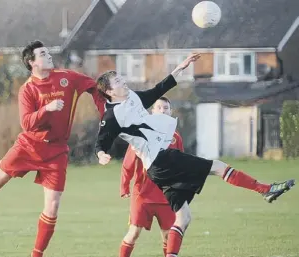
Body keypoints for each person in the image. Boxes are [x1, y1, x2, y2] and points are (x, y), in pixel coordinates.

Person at [94, 54, 295, 257]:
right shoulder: (111, 115)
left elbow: (158, 90)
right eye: (118, 81)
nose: (124, 81)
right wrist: (101, 154)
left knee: (183, 218)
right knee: (217, 166)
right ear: (110, 91)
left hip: (158, 167)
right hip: (160, 160)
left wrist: (179, 69)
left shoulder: (133, 97)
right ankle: (265, 189)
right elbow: (101, 140)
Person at [0, 40, 105, 257]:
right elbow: (27, 123)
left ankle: (36, 254)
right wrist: (47, 109)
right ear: (32, 62)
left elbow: (94, 87)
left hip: (57, 151)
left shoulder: (67, 77)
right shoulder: (28, 89)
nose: (49, 55)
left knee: (52, 206)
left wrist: (104, 114)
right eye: (43, 53)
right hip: (28, 146)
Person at [119, 96, 183, 257]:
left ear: (170, 112)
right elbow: (128, 163)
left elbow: (181, 165)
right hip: (143, 195)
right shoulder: (141, 134)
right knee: (134, 232)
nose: (162, 110)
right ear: (152, 111)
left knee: (169, 236)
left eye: (166, 108)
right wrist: (124, 186)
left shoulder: (176, 138)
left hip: (166, 196)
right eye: (159, 107)